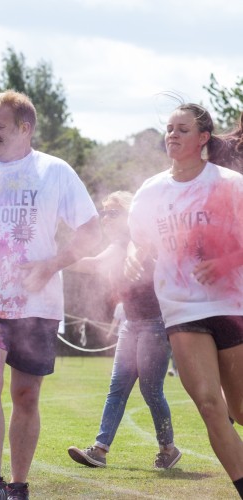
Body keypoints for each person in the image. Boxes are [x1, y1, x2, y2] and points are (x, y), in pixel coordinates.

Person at [0, 90, 100, 500]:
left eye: (0, 125)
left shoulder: (54, 171)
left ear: (24, 128)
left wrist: (50, 264)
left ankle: (19, 484)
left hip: (38, 303)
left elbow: (91, 231)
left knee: (25, 395)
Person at [127, 103, 243, 498]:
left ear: (203, 138)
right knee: (210, 406)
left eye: (182, 129)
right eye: (169, 129)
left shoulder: (228, 184)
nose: (172, 136)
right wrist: (132, 255)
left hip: (230, 304)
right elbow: (139, 241)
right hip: (180, 307)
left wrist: (225, 260)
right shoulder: (151, 191)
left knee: (240, 410)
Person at [66, 191, 181, 470]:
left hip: (154, 324)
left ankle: (168, 448)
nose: (105, 218)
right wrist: (51, 260)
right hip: (131, 324)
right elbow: (92, 264)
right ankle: (100, 450)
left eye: (113, 212)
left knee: (151, 389)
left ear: (130, 215)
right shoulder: (117, 245)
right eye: (103, 212)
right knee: (117, 388)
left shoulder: (143, 242)